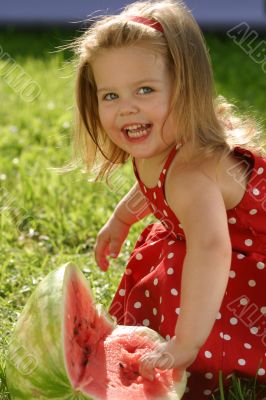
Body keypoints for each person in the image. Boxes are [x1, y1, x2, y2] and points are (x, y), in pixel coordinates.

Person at [70, 0, 266, 398]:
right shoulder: (157, 145)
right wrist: (122, 219)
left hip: (244, 262)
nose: (127, 108)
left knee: (195, 291)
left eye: (145, 89)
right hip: (207, 245)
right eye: (110, 95)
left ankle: (208, 350)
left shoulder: (193, 175)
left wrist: (186, 343)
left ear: (186, 88)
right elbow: (150, 184)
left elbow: (211, 250)